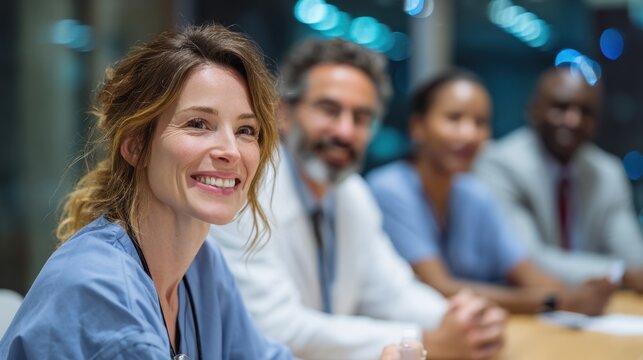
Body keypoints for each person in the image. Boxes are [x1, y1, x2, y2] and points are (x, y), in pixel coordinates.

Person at [0, 24, 295, 359]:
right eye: (197, 124)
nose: (231, 150)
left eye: (245, 130)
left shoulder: (202, 266)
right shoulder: (100, 291)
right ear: (135, 145)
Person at [210, 39, 506, 360]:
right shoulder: (245, 191)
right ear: (284, 114)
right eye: (329, 110)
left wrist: (461, 319)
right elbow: (277, 327)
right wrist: (421, 343)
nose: (345, 131)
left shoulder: (352, 193)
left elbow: (393, 291)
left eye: (361, 117)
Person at [366, 70, 615, 315]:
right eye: (454, 118)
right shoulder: (390, 189)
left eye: (480, 123)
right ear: (417, 126)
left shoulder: (475, 194)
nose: (469, 134)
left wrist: (576, 296)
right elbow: (439, 288)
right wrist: (554, 301)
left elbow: (527, 273)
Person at [475, 66, 643, 291]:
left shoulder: (607, 172)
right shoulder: (501, 165)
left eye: (586, 111)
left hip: (598, 309)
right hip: (526, 307)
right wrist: (619, 275)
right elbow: (528, 261)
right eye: (560, 107)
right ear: (533, 110)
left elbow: (634, 258)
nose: (573, 120)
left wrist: (626, 272)